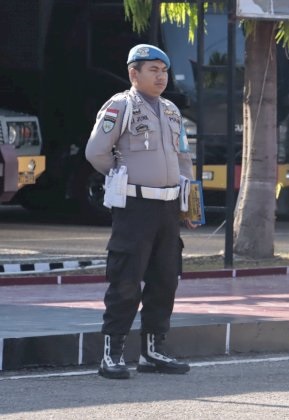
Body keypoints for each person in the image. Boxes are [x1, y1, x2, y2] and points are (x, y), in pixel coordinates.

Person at [85, 44, 194, 379]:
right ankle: (113, 354)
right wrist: (121, 176)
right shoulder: (121, 106)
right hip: (135, 206)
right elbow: (96, 152)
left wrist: (190, 207)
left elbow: (184, 160)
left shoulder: (173, 111)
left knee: (165, 279)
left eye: (163, 71)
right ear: (134, 74)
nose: (160, 77)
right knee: (126, 280)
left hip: (167, 207)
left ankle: (153, 351)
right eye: (152, 70)